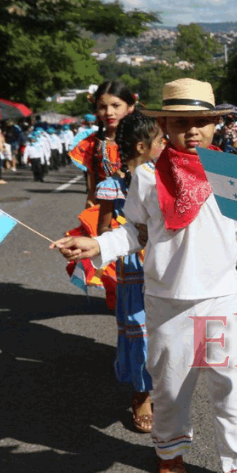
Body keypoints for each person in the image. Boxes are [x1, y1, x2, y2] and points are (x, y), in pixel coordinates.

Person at [52, 79, 237, 473]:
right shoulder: (147, 176)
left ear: (217, 123)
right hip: (167, 300)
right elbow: (135, 232)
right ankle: (171, 453)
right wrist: (95, 244)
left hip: (221, 298)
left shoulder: (232, 173)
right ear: (164, 123)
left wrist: (236, 240)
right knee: (170, 387)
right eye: (182, 123)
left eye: (203, 121)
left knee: (231, 389)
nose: (193, 131)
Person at [95, 110, 164, 434]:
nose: (165, 144)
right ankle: (141, 393)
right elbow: (104, 228)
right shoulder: (113, 186)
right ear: (141, 146)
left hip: (165, 268)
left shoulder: (164, 180)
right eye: (160, 140)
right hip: (133, 271)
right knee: (139, 335)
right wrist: (130, 230)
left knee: (164, 332)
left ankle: (161, 385)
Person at [70, 82, 136, 208]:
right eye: (102, 107)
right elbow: (92, 192)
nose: (109, 112)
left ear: (130, 107)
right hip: (107, 215)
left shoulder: (146, 140)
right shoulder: (91, 144)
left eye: (116, 106)